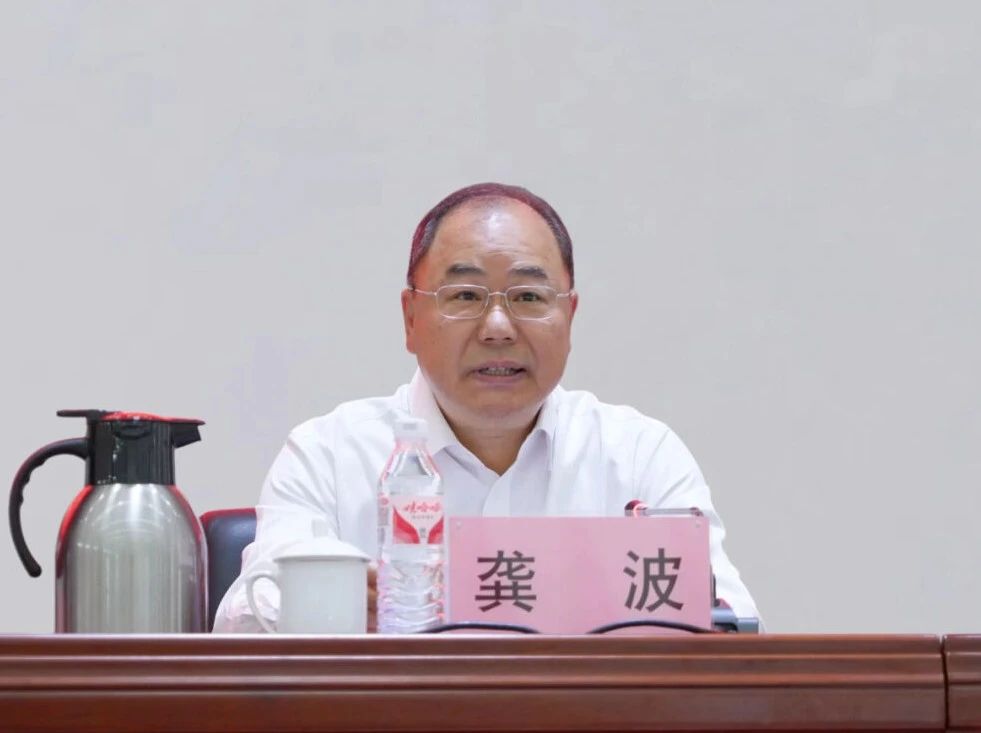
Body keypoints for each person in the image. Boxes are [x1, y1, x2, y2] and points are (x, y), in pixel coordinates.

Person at [213, 182, 759, 632]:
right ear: (410, 318)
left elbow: (732, 625)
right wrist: (332, 610)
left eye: (528, 298)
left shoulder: (638, 455)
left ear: (570, 317)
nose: (498, 328)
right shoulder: (330, 454)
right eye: (466, 297)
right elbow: (241, 620)